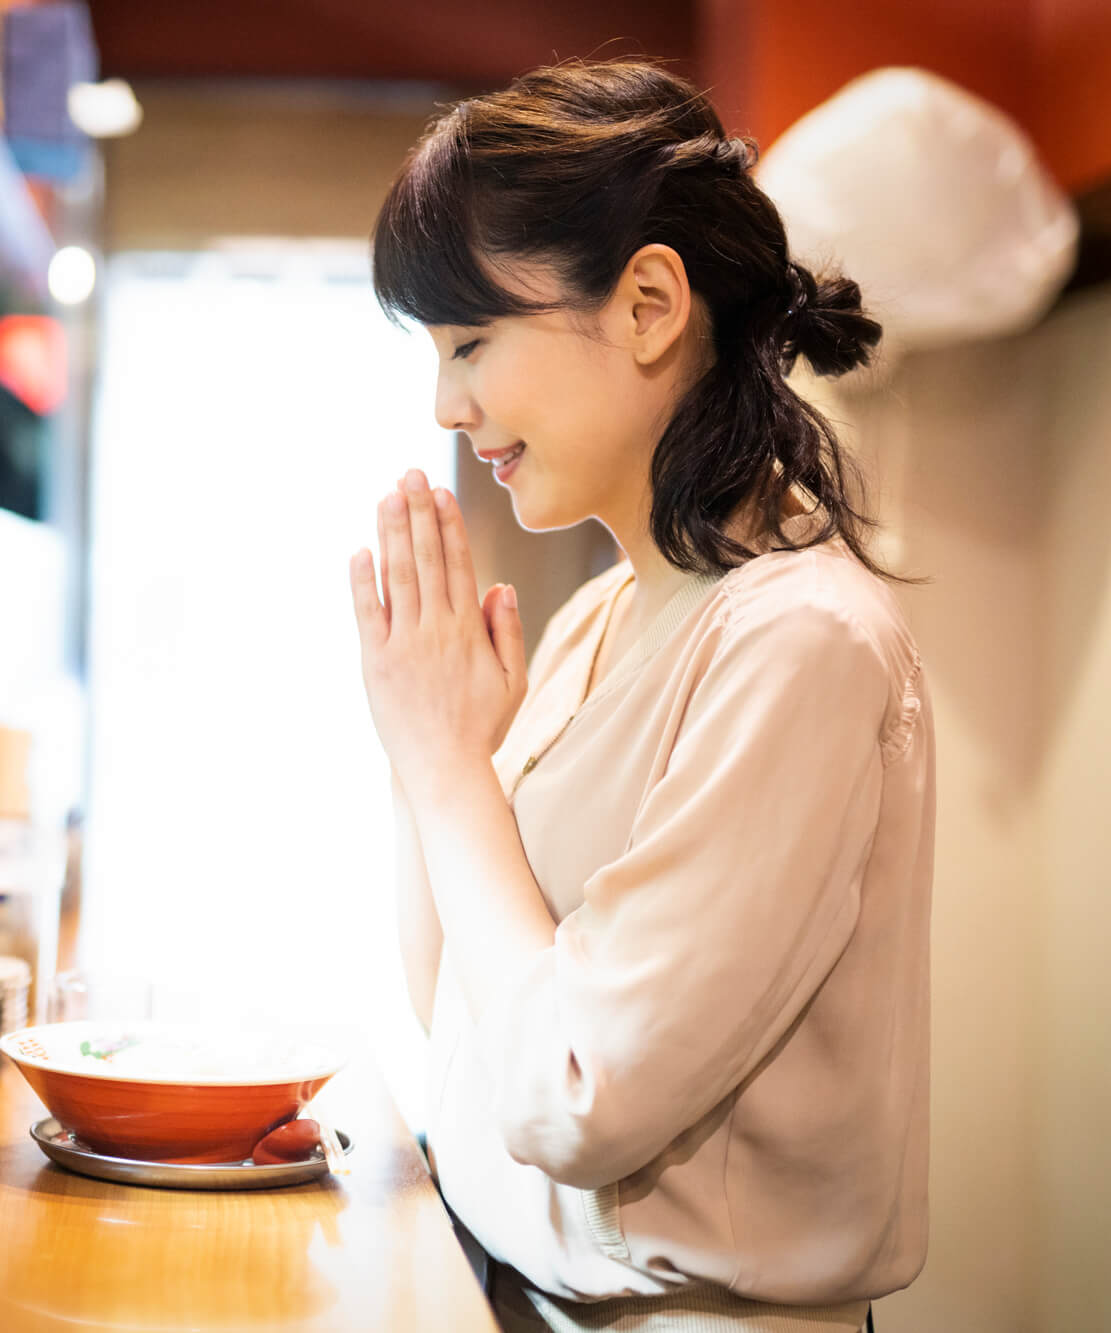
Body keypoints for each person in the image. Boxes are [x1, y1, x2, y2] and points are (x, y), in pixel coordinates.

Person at [348, 60, 933, 1333]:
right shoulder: (602, 613)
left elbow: (574, 1094)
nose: (449, 405)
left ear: (649, 303)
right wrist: (422, 746)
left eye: (470, 343)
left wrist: (453, 773)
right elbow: (457, 1005)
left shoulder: (799, 642)